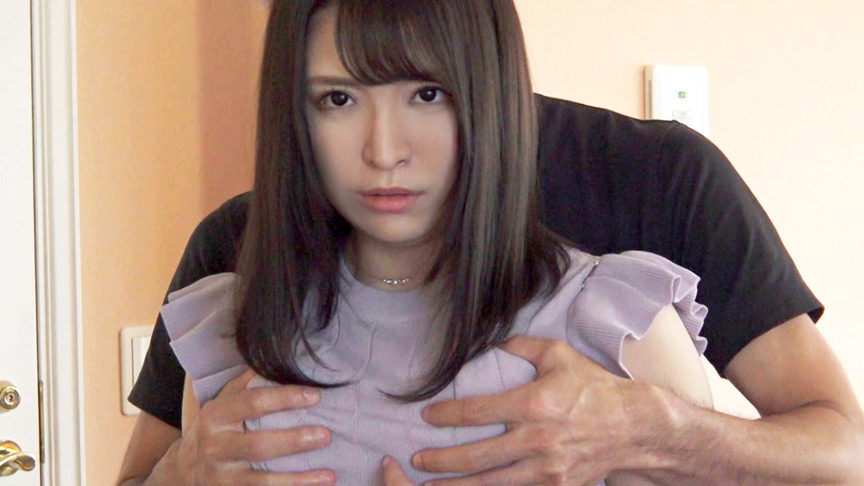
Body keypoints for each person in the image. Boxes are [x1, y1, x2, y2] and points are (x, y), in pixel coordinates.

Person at [117, 1, 864, 485]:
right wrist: (184, 470)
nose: (383, 151)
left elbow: (845, 453)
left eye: (427, 92)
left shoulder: (655, 192)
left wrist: (648, 430)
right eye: (338, 98)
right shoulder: (235, 272)